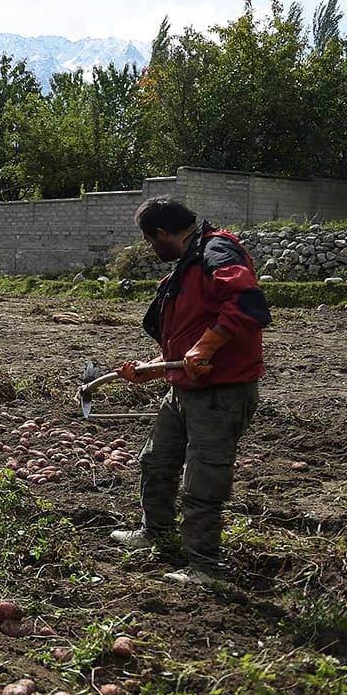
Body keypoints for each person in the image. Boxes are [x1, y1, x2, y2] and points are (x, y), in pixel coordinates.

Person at [110, 197, 271, 589]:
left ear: (163, 234)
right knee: (156, 461)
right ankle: (156, 531)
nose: (152, 248)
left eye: (151, 240)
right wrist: (154, 367)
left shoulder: (217, 251)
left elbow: (247, 303)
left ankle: (206, 566)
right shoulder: (186, 266)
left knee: (203, 479)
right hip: (183, 388)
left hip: (221, 390)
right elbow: (185, 338)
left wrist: (207, 347)